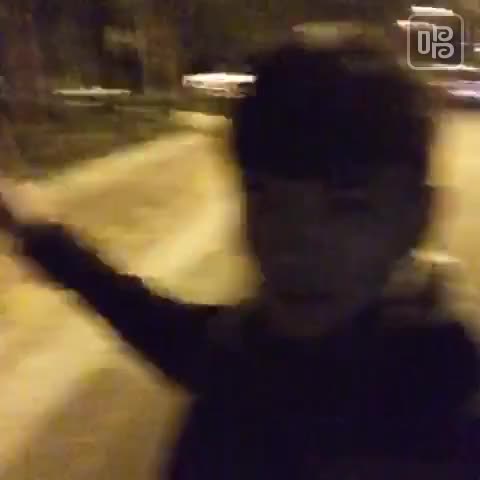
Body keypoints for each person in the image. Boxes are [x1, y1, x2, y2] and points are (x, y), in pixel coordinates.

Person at [0, 33, 479, 479]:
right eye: (267, 198)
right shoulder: (243, 350)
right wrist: (38, 232)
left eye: (346, 206)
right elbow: (140, 313)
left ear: (415, 216)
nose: (294, 242)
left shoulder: (444, 414)